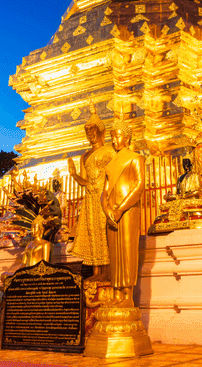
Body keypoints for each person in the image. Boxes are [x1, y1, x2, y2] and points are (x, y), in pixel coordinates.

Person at [101, 122, 145, 306]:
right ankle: (117, 292)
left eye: (118, 136)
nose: (114, 140)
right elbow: (104, 192)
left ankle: (128, 294)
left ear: (127, 137)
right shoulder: (110, 164)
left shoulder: (135, 158)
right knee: (114, 253)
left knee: (127, 251)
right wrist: (108, 209)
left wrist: (120, 209)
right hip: (112, 213)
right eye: (112, 137)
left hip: (127, 210)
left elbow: (139, 186)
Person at [68, 105, 115, 280]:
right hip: (90, 197)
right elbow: (84, 180)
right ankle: (97, 271)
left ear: (102, 131)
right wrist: (73, 175)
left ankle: (109, 270)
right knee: (93, 232)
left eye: (93, 130)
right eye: (87, 131)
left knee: (105, 231)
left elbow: (114, 173)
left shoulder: (110, 151)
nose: (90, 134)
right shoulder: (85, 156)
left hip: (105, 194)